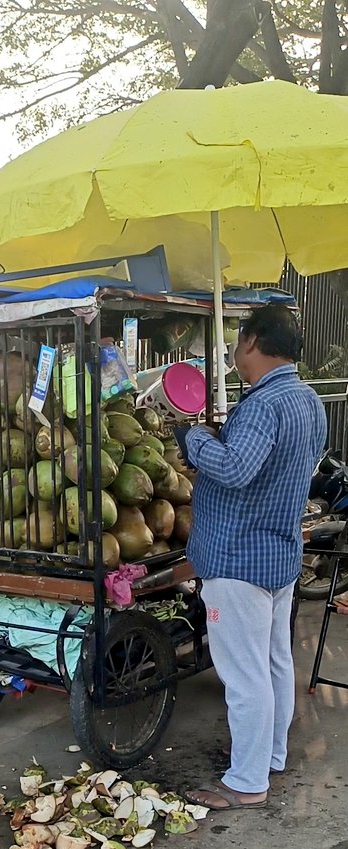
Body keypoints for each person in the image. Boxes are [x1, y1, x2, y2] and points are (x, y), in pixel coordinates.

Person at [181, 303, 327, 811]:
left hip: (237, 559)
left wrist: (194, 438)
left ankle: (246, 782)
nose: (234, 351)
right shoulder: (308, 400)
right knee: (274, 662)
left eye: (237, 339)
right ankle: (271, 755)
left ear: (251, 341)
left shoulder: (264, 405)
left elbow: (236, 468)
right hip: (278, 554)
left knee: (245, 676)